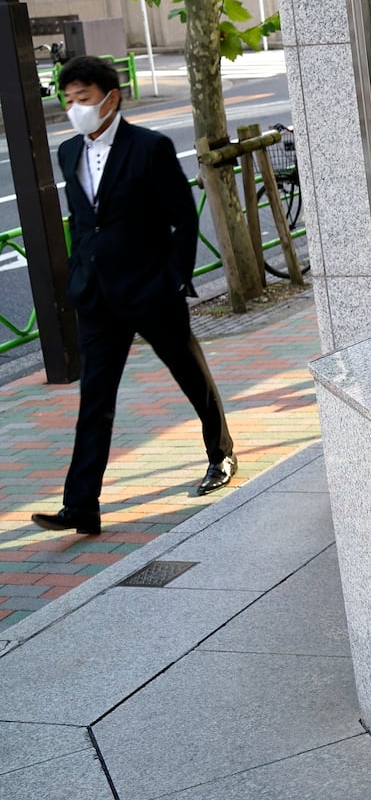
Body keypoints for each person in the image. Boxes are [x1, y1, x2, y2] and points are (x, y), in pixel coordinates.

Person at [31, 56, 236, 537]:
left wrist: (172, 280)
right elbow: (84, 221)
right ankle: (81, 506)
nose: (75, 108)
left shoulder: (149, 148)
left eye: (83, 99)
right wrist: (80, 272)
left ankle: (220, 452)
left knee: (190, 375)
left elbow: (183, 219)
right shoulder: (68, 152)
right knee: (94, 402)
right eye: (69, 100)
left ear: (111, 98)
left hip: (150, 291)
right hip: (98, 299)